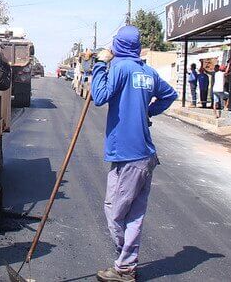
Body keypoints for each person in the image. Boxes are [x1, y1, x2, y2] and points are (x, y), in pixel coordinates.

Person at [90, 26, 178, 282]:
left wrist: (99, 65)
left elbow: (99, 96)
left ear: (118, 44)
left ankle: (125, 266)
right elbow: (169, 95)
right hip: (144, 155)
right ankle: (126, 265)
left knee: (114, 212)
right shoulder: (147, 71)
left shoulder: (121, 68)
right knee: (134, 214)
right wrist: (146, 112)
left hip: (128, 156)